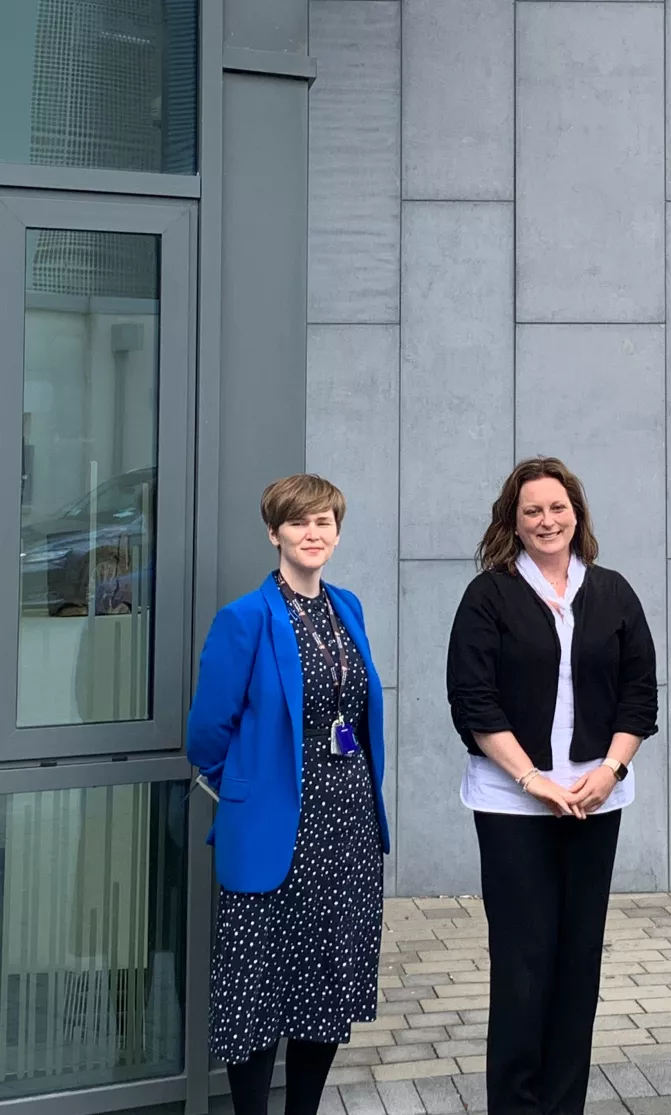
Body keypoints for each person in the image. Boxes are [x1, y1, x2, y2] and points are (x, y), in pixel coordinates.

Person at [446, 457, 659, 1115]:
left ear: (577, 515)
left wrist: (611, 770)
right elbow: (473, 700)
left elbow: (639, 694)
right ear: (513, 521)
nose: (547, 520)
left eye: (557, 508)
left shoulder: (615, 591)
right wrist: (532, 778)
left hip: (596, 801)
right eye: (532, 510)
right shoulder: (491, 594)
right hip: (513, 803)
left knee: (577, 963)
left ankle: (564, 1104)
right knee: (523, 963)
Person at [187, 474, 389, 1115]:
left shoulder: (347, 608)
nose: (313, 533)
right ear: (274, 532)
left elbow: (353, 713)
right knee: (256, 987)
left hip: (346, 824)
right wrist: (244, 790)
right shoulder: (245, 618)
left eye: (324, 522)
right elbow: (206, 734)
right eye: (299, 522)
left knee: (324, 981)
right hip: (276, 828)